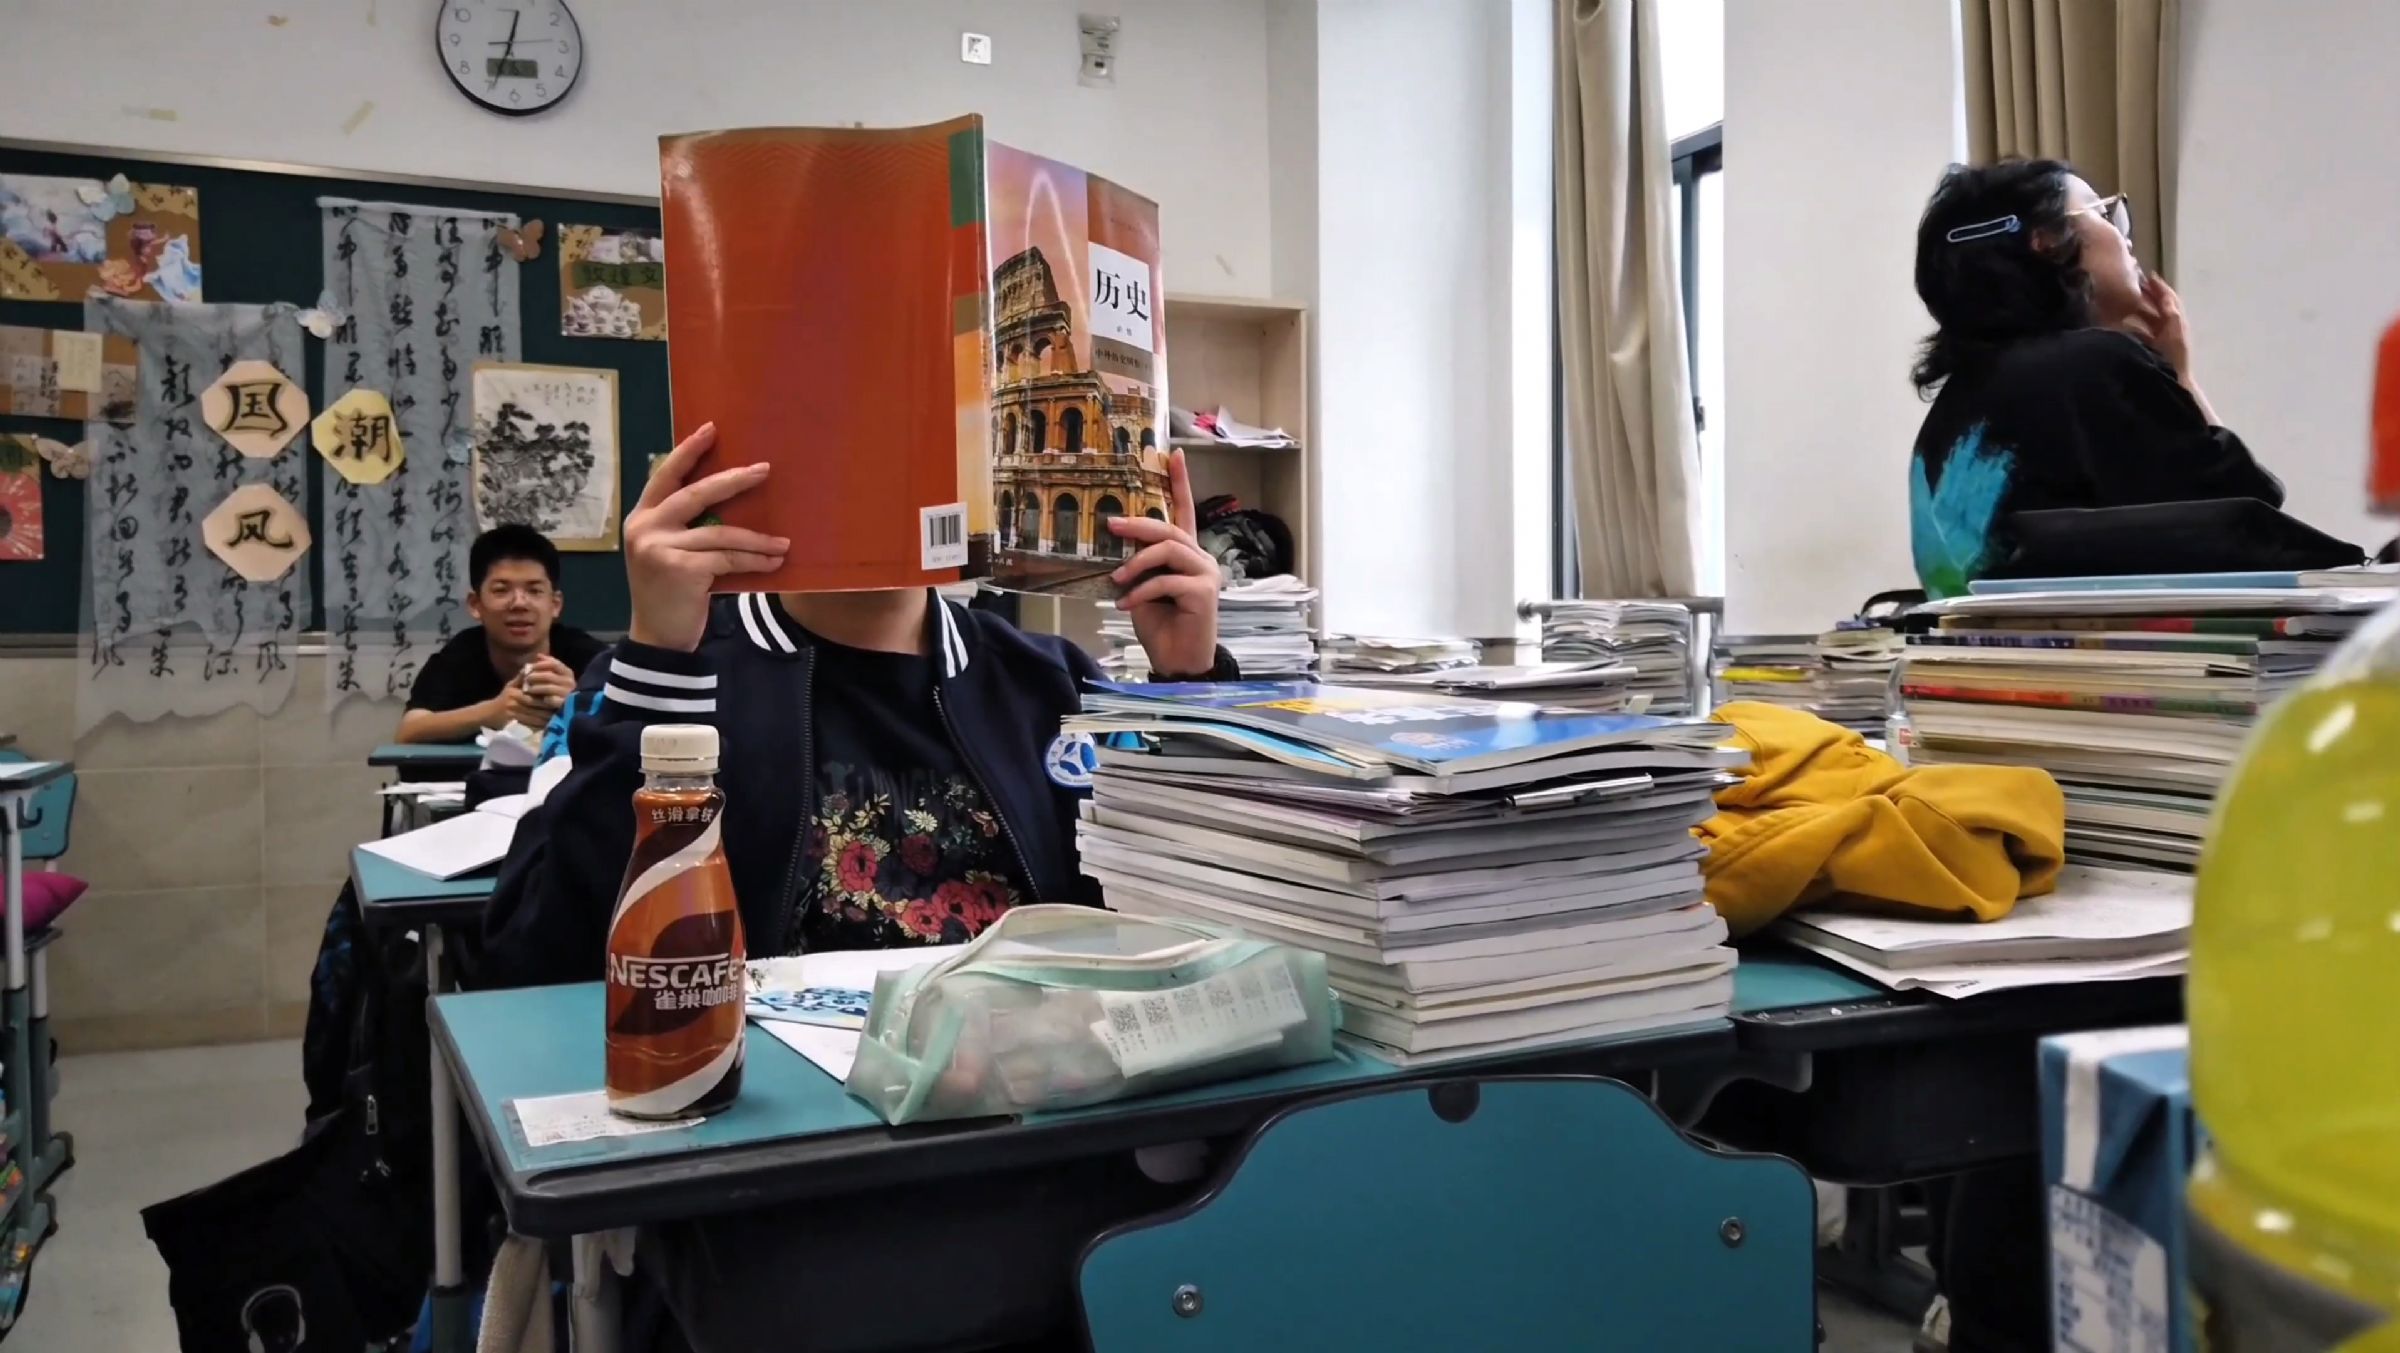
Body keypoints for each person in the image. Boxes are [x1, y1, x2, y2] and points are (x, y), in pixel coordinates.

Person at [479, 425, 1234, 1350]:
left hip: (1049, 1159)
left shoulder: (1049, 683)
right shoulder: (665, 670)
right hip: (780, 1188)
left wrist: (1189, 689)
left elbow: (1196, 943)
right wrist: (659, 664)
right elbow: (534, 966)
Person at [1907, 158, 2287, 597]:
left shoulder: (1951, 410)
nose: (2126, 238)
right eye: (2104, 213)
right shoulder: (2096, 366)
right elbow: (2253, 519)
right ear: (2047, 241)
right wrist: (2182, 376)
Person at [396, 524, 607, 743]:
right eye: (501, 590)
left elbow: (629, 728)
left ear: (555, 604)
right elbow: (408, 732)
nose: (519, 603)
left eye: (534, 590)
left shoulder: (591, 659)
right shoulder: (461, 655)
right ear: (475, 604)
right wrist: (492, 712)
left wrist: (579, 704)